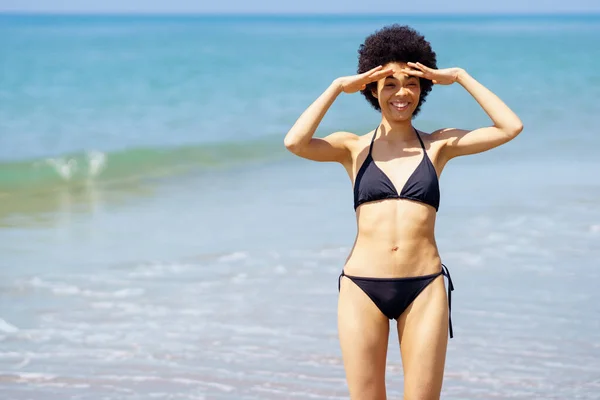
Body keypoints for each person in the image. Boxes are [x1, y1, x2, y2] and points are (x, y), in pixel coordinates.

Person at [283, 24, 523, 400]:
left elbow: (510, 126)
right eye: (390, 83)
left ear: (423, 88)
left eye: (411, 82)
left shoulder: (438, 146)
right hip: (361, 287)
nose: (401, 93)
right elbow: (294, 142)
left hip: (424, 286)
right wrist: (336, 87)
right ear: (372, 89)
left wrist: (459, 77)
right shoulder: (352, 148)